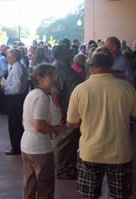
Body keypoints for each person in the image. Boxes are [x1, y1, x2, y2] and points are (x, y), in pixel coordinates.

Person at [67, 50, 136, 199]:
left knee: (90, 195)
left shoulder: (80, 89)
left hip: (90, 152)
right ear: (112, 64)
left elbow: (72, 123)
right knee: (119, 195)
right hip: (119, 152)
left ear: (91, 65)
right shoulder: (126, 87)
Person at [21, 64, 66, 199]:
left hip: (27, 145)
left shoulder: (31, 94)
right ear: (40, 79)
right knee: (45, 187)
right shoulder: (41, 98)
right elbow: (39, 127)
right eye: (51, 76)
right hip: (40, 149)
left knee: (30, 184)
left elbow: (24, 121)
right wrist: (57, 129)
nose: (54, 79)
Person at [51, 45, 85, 180]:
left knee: (70, 140)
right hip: (64, 110)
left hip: (71, 109)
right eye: (68, 53)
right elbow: (55, 94)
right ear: (60, 55)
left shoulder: (64, 66)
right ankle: (61, 169)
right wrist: (62, 112)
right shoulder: (58, 69)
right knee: (62, 140)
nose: (71, 54)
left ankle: (69, 166)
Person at [2, 49, 28, 155]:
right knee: (16, 124)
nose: (7, 58)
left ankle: (16, 147)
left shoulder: (17, 68)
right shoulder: (17, 66)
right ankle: (17, 146)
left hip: (15, 98)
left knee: (15, 124)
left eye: (9, 56)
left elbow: (17, 88)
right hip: (17, 98)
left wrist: (5, 89)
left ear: (15, 58)